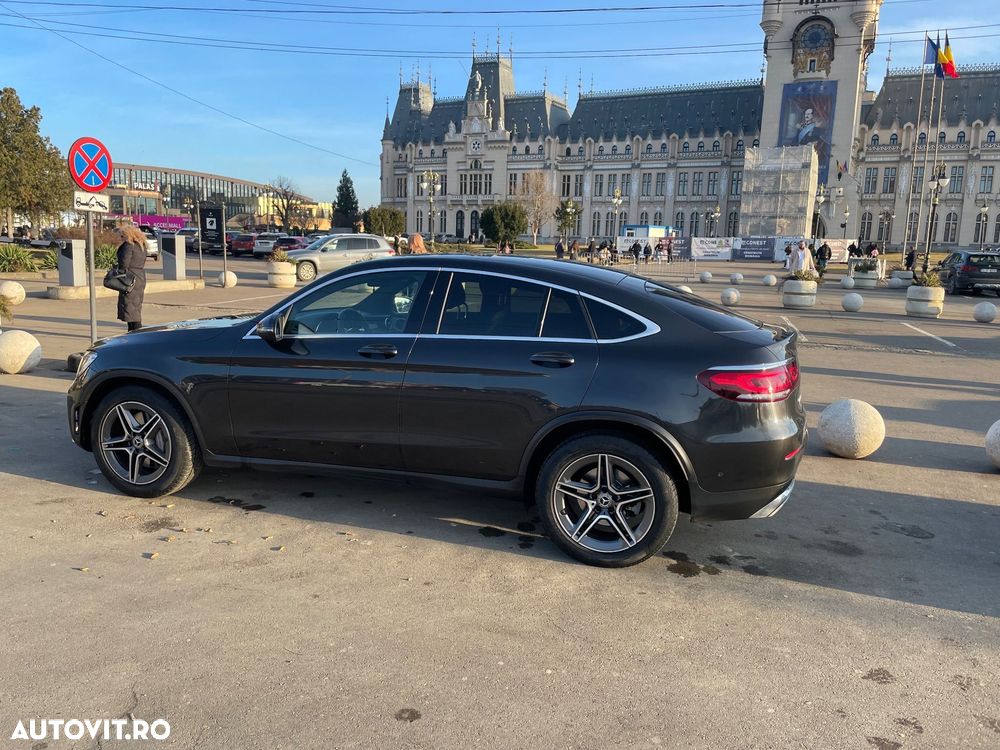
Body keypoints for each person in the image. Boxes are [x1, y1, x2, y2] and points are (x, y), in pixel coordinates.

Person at [115, 225, 148, 332]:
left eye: (122, 235)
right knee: (136, 306)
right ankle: (134, 332)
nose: (121, 237)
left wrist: (117, 269)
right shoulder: (141, 245)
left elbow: (124, 262)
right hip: (140, 277)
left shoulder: (129, 245)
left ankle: (134, 332)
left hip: (129, 278)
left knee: (130, 307)